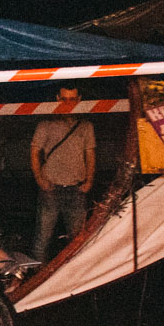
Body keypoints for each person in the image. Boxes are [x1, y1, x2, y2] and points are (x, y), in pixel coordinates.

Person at [30, 86, 96, 261]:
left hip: (76, 189)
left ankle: (75, 273)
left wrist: (89, 181)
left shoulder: (85, 126)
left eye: (72, 99)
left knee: (77, 241)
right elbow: (34, 152)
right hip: (51, 189)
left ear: (79, 100)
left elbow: (90, 154)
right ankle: (37, 273)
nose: (68, 103)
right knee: (42, 238)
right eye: (64, 99)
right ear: (58, 99)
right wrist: (40, 179)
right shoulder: (46, 124)